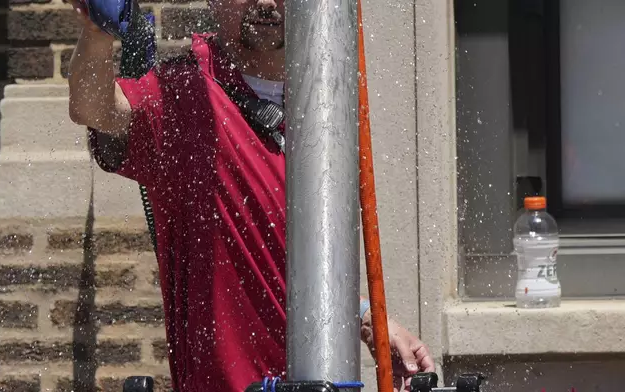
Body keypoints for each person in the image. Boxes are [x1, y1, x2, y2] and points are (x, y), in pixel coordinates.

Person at [66, 0, 435, 391]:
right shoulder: (182, 94)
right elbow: (96, 108)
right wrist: (98, 33)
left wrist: (366, 316)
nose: (264, 1)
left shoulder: (328, 96)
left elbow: (285, 258)